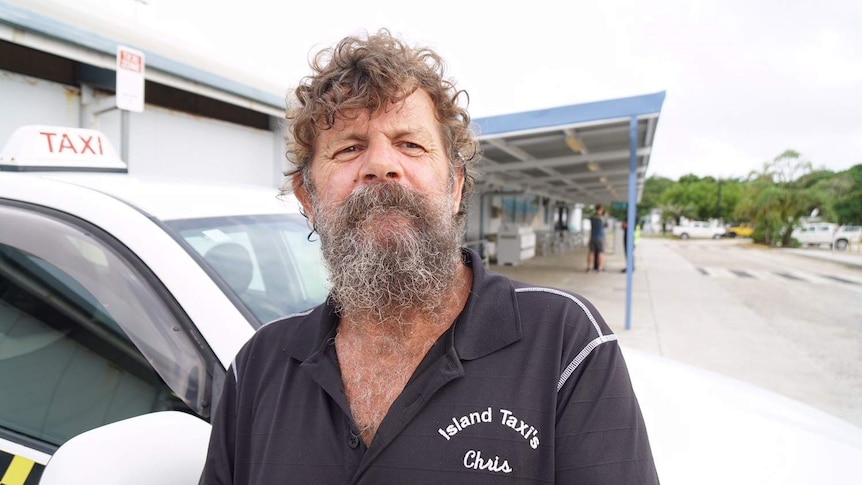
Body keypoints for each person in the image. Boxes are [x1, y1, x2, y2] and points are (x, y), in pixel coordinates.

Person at [199, 29, 659, 484]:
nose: (382, 165)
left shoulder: (564, 344)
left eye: (411, 144)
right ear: (308, 197)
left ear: (455, 186)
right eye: (349, 148)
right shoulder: (259, 365)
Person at [586, 204, 607, 272]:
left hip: (592, 237)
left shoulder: (592, 218)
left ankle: (589, 267)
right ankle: (600, 268)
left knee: (591, 252)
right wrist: (605, 216)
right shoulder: (602, 218)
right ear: (601, 210)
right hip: (600, 238)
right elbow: (606, 225)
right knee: (601, 253)